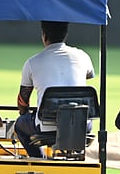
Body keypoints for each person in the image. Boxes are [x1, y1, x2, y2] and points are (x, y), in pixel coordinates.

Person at [15, 21, 95, 157]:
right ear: (65, 34)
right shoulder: (83, 56)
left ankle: (38, 159)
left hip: (45, 127)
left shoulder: (32, 62)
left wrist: (25, 112)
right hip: (81, 126)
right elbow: (86, 78)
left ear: (44, 35)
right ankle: (76, 155)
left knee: (19, 125)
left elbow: (23, 102)